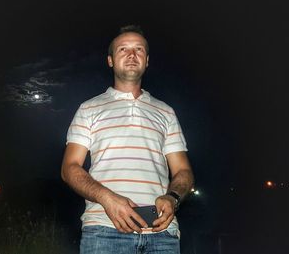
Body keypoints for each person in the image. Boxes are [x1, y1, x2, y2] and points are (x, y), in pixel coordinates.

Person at [61, 25, 194, 254]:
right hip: (104, 231)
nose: (132, 55)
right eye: (123, 49)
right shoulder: (89, 109)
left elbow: (183, 172)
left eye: (139, 49)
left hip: (162, 235)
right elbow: (69, 168)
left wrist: (172, 198)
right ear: (110, 60)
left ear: (147, 60)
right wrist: (108, 199)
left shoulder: (166, 112)